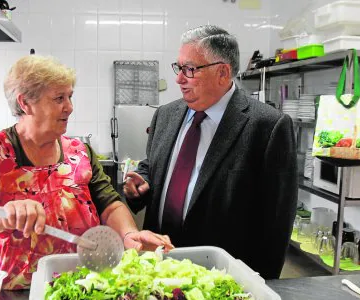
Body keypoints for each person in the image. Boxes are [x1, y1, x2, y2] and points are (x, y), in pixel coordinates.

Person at [0, 55, 173, 290]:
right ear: (25, 103)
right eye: (59, 98)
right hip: (7, 294)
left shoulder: (79, 152)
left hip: (76, 288)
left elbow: (109, 204)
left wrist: (129, 233)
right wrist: (3, 215)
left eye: (70, 96)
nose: (69, 107)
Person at [123, 25, 297, 279]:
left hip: (220, 277)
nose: (179, 79)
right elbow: (154, 166)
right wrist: (142, 184)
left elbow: (277, 223)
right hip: (159, 265)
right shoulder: (166, 115)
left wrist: (263, 286)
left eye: (190, 70)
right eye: (178, 68)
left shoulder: (267, 126)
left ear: (223, 73)